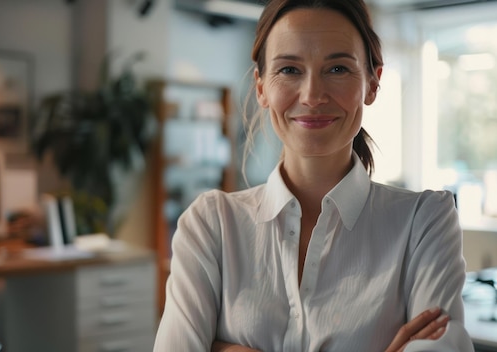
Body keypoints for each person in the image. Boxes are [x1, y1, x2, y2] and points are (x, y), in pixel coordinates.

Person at [154, 0, 474, 351]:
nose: (312, 96)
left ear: (372, 83)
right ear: (261, 86)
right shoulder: (211, 224)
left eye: (337, 69)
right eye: (289, 70)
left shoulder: (424, 222)